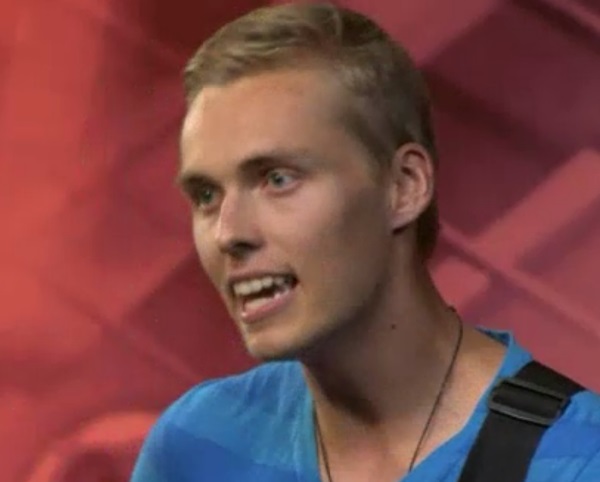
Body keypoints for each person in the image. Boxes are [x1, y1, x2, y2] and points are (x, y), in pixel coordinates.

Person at [130, 3, 600, 481]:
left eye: (277, 179)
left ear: (405, 186)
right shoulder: (193, 445)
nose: (228, 233)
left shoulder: (580, 460)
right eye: (206, 195)